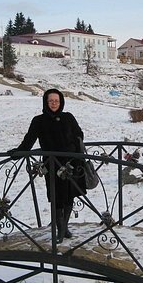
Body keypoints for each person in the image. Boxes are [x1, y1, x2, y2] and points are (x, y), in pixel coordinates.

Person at [7, 88, 87, 243]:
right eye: (51, 101)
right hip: (52, 165)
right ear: (46, 102)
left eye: (56, 101)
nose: (54, 103)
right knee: (56, 198)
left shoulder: (68, 117)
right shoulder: (38, 121)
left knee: (69, 196)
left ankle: (64, 227)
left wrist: (73, 147)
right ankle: (60, 230)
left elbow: (79, 134)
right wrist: (18, 152)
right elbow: (29, 140)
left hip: (72, 164)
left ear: (61, 102)